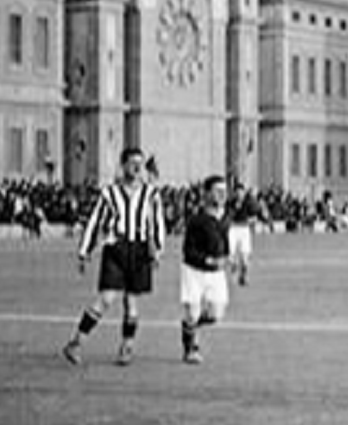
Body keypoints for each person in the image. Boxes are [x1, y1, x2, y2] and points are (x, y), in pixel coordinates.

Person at [63, 148, 166, 366]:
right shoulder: (109, 193)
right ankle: (76, 342)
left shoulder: (151, 194)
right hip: (116, 248)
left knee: (131, 303)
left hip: (139, 251)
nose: (137, 168)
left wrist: (157, 250)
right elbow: (94, 222)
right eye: (132, 163)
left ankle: (126, 346)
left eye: (140, 164)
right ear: (123, 165)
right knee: (106, 299)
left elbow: (157, 223)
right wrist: (85, 252)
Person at [179, 175, 232, 364]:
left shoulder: (225, 217)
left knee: (216, 314)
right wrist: (208, 260)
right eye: (218, 191)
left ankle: (189, 326)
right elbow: (188, 251)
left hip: (216, 273)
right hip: (194, 271)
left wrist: (227, 258)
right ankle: (191, 348)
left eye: (224, 191)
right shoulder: (197, 220)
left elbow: (225, 244)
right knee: (192, 311)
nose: (222, 195)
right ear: (207, 193)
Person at [227, 182, 259, 286]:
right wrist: (234, 211)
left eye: (241, 191)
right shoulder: (230, 202)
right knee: (230, 254)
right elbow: (227, 216)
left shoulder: (249, 203)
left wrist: (249, 220)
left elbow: (254, 217)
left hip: (244, 229)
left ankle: (243, 277)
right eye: (237, 191)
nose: (239, 194)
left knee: (245, 257)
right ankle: (234, 269)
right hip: (233, 229)